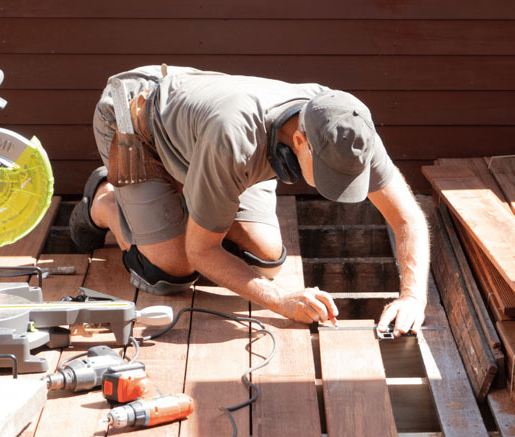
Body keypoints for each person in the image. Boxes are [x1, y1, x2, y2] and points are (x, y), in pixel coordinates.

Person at [70, 65, 429, 334]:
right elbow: (202, 252)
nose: (337, 188)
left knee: (265, 258)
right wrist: (281, 301)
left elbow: (407, 218)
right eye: (329, 176)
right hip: (136, 118)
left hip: (208, 138)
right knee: (172, 270)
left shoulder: (348, 126)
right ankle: (105, 202)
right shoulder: (233, 139)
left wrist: (412, 297)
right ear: (300, 142)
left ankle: (191, 198)